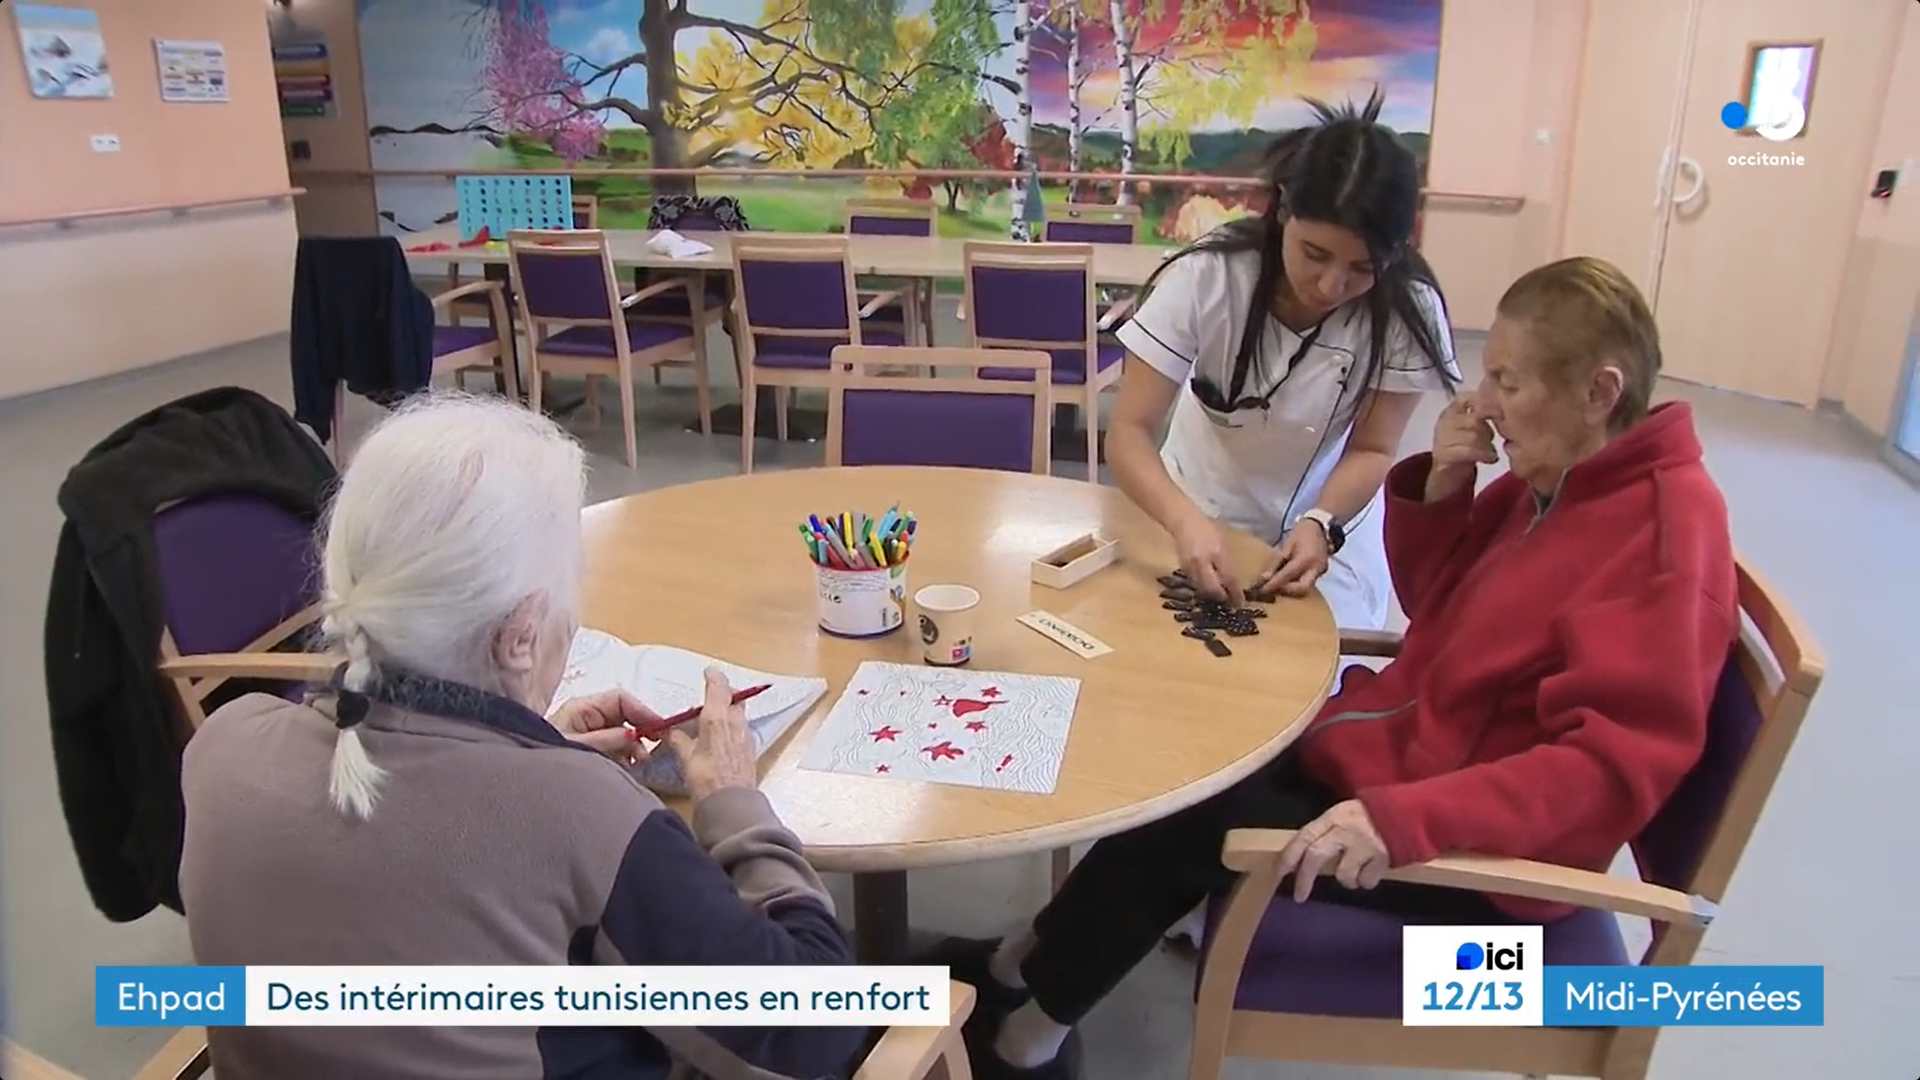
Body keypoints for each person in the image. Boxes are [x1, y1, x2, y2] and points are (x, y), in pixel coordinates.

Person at [927, 255, 1740, 1080]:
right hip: (1401, 752)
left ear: (1599, 392)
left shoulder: (1664, 539)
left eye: (1509, 382)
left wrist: (1400, 820)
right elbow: (1438, 610)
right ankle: (1018, 967)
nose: (1486, 404)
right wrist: (1447, 483)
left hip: (1485, 857)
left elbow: (1607, 773)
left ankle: (1025, 1037)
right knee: (1197, 767)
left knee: (1203, 815)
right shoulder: (1559, 478)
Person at [178, 394, 866, 1080]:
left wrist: (533, 754)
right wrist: (734, 801)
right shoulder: (583, 816)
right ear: (521, 635)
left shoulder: (222, 749)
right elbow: (813, 1033)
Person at [1106, 89, 1459, 630]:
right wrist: (1183, 521)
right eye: (1314, 254)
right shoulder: (1209, 278)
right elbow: (1129, 430)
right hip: (1190, 506)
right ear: (1281, 213)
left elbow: (1373, 446)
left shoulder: (1408, 308)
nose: (1330, 285)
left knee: (1319, 674)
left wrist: (1322, 521)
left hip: (1326, 526)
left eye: (1362, 268)